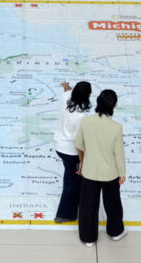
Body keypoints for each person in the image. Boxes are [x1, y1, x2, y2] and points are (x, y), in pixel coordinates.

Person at [75, 89, 127, 247]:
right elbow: (119, 154)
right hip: (110, 173)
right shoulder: (116, 127)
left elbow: (79, 145)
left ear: (98, 102)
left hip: (89, 171)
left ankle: (88, 238)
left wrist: (82, 164)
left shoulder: (86, 122)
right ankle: (116, 232)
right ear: (114, 105)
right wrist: (122, 173)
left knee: (88, 206)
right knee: (113, 205)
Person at [52, 81, 92, 223]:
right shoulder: (81, 117)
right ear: (88, 95)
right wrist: (81, 162)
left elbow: (66, 90)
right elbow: (78, 143)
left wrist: (65, 85)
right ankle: (64, 214)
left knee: (72, 179)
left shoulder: (67, 99)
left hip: (59, 146)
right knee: (71, 182)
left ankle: (73, 207)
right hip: (70, 152)